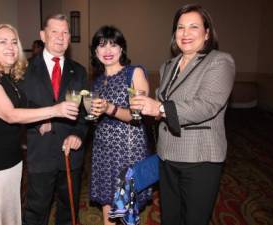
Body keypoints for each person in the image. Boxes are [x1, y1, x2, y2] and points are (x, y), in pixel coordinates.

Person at [130, 4, 236, 225]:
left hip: (200, 158)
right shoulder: (168, 66)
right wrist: (144, 107)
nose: (185, 33)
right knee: (170, 217)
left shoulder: (219, 61)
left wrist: (158, 108)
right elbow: (162, 100)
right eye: (180, 27)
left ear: (207, 33)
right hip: (167, 155)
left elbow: (207, 105)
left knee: (194, 219)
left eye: (193, 27)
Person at [0, 23, 80, 225]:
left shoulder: (7, 76)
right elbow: (10, 115)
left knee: (10, 214)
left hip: (11, 156)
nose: (10, 47)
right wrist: (55, 110)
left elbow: (27, 104)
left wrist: (42, 121)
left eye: (14, 42)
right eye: (2, 42)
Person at [20, 14, 88, 225]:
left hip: (70, 152)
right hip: (39, 150)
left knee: (69, 209)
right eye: (54, 32)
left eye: (65, 32)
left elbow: (85, 113)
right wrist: (39, 119)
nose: (60, 37)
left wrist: (78, 134)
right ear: (43, 35)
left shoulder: (79, 71)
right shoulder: (24, 68)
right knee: (36, 210)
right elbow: (16, 109)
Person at [87, 25, 151, 225]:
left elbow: (137, 116)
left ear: (122, 49)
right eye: (102, 46)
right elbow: (96, 117)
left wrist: (109, 109)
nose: (107, 51)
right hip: (103, 151)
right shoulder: (97, 82)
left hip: (127, 151)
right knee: (107, 205)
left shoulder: (133, 73)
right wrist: (93, 114)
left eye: (113, 45)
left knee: (125, 212)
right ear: (95, 51)